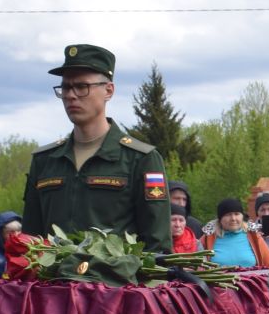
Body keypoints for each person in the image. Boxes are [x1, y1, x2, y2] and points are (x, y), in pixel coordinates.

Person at [20, 44, 172, 253]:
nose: (71, 95)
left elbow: (157, 246)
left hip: (117, 283)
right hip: (52, 284)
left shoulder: (140, 158)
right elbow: (30, 239)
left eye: (82, 87)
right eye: (66, 87)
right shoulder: (45, 160)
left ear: (108, 90)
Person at [205, 198, 269, 268]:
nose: (233, 218)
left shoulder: (254, 236)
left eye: (237, 214)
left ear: (242, 216)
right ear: (220, 219)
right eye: (228, 215)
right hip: (217, 279)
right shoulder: (207, 239)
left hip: (251, 278)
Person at [166, 181, 200, 254]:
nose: (181, 203)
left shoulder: (195, 225)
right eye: (177, 198)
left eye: (184, 199)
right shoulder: (156, 225)